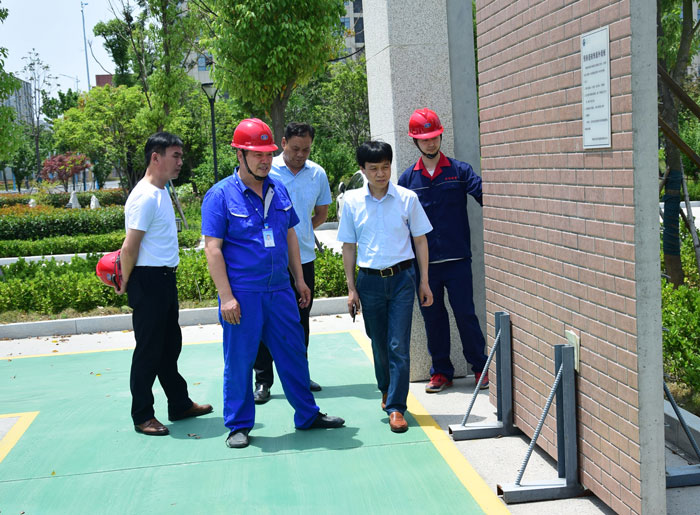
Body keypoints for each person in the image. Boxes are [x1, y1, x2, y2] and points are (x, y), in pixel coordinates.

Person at [201, 118, 344, 449]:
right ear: (240, 154)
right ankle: (238, 425)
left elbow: (291, 233)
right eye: (256, 154)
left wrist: (298, 279)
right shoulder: (220, 195)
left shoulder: (278, 190)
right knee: (240, 360)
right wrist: (226, 297)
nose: (264, 160)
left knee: (294, 354)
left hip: (280, 290)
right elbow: (213, 248)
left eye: (267, 154)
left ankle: (307, 415)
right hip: (243, 295)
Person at [117, 132, 212, 436]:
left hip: (163, 279)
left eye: (181, 156)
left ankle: (179, 404)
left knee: (169, 347)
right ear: (155, 158)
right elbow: (130, 247)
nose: (180, 162)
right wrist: (125, 281)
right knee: (148, 351)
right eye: (175, 156)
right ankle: (142, 415)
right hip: (147, 281)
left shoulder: (160, 191)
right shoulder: (145, 195)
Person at [338, 140, 433, 433]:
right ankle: (385, 388)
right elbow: (348, 246)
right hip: (369, 281)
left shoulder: (407, 199)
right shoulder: (352, 202)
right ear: (363, 170)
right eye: (374, 168)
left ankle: (396, 407)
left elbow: (420, 240)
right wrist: (351, 288)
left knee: (398, 345)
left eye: (386, 167)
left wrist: (424, 281)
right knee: (379, 343)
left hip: (403, 279)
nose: (381, 173)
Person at [398, 107, 489, 393]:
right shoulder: (407, 181)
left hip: (458, 259)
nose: (430, 143)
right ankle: (441, 371)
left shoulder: (460, 172)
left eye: (434, 137)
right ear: (415, 141)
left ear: (440, 136)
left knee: (466, 314)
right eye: (424, 139)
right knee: (433, 319)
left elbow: (487, 195)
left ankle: (480, 367)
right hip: (425, 266)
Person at [253, 122, 331, 404]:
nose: (300, 154)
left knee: (301, 321)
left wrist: (300, 234)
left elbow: (322, 212)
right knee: (264, 321)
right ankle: (263, 380)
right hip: (269, 261)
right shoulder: (265, 169)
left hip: (304, 259)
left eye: (306, 149)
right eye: (295, 148)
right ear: (283, 142)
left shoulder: (317, 173)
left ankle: (300, 374)